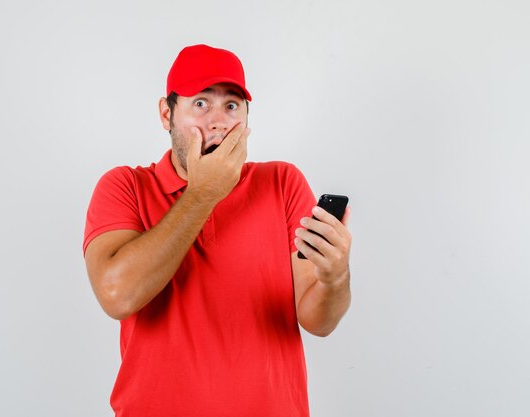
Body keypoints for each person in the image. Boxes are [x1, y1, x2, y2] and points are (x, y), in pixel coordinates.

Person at [83, 44, 352, 417]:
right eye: (200, 104)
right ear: (167, 113)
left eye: (231, 106)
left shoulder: (282, 182)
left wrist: (335, 279)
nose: (218, 121)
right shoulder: (124, 186)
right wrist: (203, 194)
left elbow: (317, 321)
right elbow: (117, 295)